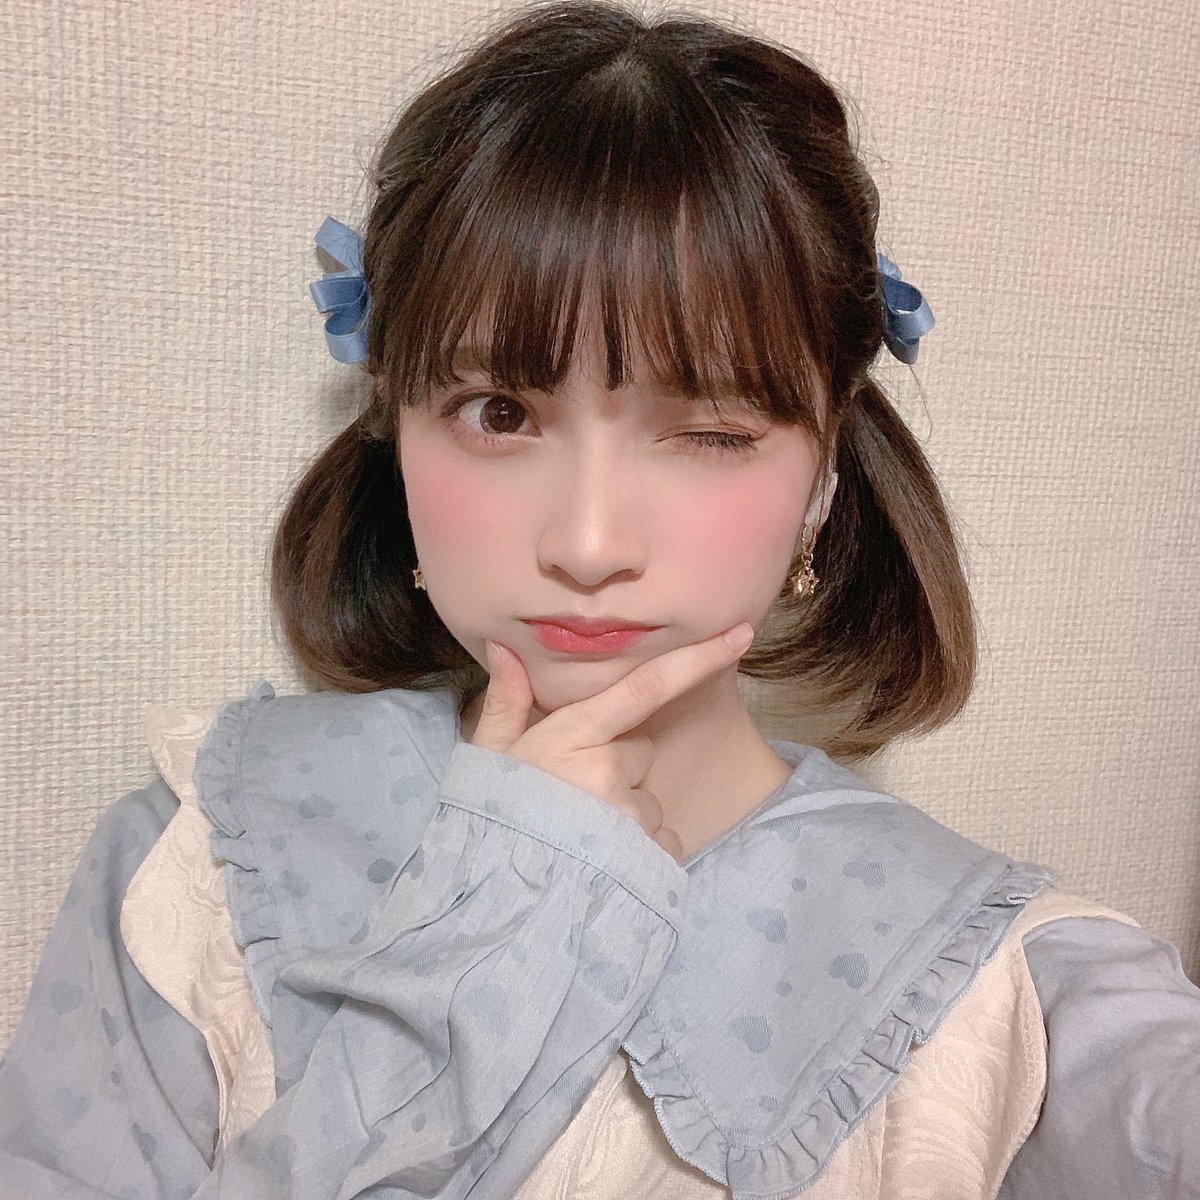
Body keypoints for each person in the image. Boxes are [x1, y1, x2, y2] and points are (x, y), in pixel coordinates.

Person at [2, 2, 1197, 1197]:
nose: (586, 544)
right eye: (500, 413)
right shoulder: (208, 854)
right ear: (394, 428)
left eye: (712, 431)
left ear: (825, 474)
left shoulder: (1011, 990)